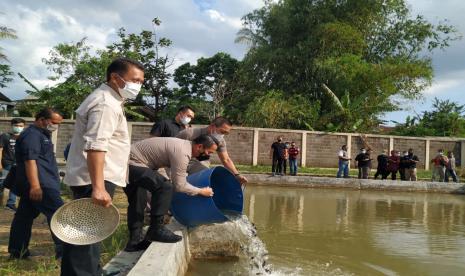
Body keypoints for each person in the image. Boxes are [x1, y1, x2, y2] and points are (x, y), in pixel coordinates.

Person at [61, 58, 144, 276]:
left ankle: (94, 272)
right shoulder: (105, 103)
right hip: (94, 179)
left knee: (89, 234)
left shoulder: (111, 100)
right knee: (84, 238)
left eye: (141, 81)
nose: (138, 86)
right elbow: (96, 145)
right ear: (116, 78)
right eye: (135, 80)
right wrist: (98, 187)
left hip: (96, 177)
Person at [124, 135, 217, 251]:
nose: (209, 155)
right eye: (209, 152)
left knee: (138, 201)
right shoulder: (183, 152)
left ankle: (134, 242)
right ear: (200, 147)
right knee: (165, 187)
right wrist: (201, 191)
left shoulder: (183, 146)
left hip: (128, 161)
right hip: (131, 162)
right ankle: (156, 229)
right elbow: (179, 186)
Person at [8, 108, 64, 259]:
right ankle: (66, 253)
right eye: (53, 123)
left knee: (23, 217)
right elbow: (30, 161)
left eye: (58, 124)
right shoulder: (32, 135)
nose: (56, 126)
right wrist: (35, 186)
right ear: (41, 120)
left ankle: (17, 251)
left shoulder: (41, 135)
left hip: (41, 183)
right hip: (41, 185)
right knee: (59, 215)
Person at [176, 117, 248, 185]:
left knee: (211, 178)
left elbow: (226, 159)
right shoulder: (190, 134)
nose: (222, 135)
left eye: (226, 133)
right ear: (212, 126)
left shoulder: (220, 141)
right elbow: (172, 148)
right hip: (180, 162)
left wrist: (237, 175)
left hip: (201, 166)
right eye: (222, 131)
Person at [0, 118, 26, 211]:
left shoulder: (24, 137)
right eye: (16, 125)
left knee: (15, 183)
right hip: (7, 163)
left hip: (18, 164)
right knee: (2, 182)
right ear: (12, 126)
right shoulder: (5, 136)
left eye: (21, 126)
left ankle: (10, 203)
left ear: (24, 127)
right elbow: (0, 150)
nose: (18, 127)